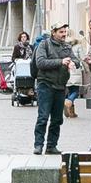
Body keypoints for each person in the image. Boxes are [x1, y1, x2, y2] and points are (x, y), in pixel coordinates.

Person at [32, 22, 77, 155]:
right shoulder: (44, 45)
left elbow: (75, 60)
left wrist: (74, 63)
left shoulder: (67, 47)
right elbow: (40, 62)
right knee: (43, 117)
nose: (64, 34)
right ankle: (38, 145)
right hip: (45, 85)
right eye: (61, 32)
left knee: (57, 119)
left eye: (65, 32)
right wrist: (60, 62)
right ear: (54, 32)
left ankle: (51, 146)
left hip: (60, 86)